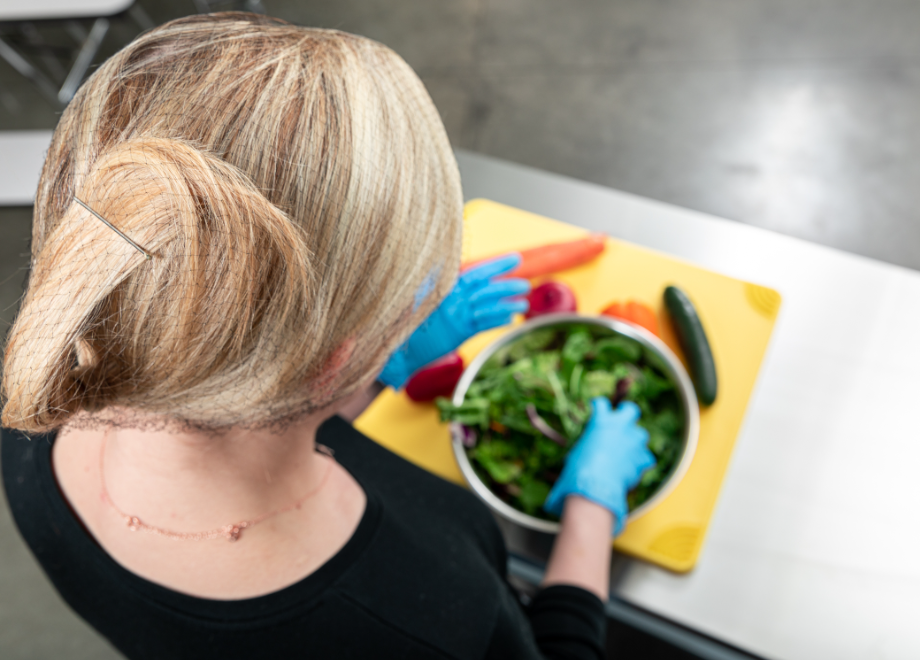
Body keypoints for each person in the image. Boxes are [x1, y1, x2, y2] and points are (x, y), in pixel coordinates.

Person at [1, 13, 654, 660]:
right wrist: (591, 512)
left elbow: (242, 413)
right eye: (409, 302)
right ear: (336, 360)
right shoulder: (433, 615)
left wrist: (375, 371)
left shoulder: (41, 390)